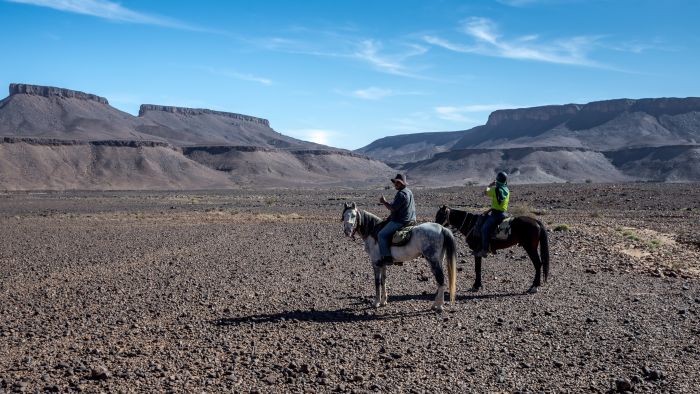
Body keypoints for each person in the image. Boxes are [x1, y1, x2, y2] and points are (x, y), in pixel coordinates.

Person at [377, 173, 416, 266]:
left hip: (401, 221)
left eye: (398, 183)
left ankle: (387, 258)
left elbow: (393, 208)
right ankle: (398, 257)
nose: (395, 184)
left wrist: (384, 202)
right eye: (395, 182)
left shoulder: (401, 194)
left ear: (402, 183)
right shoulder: (409, 191)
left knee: (381, 235)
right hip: (411, 219)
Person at [474, 172, 510, 257]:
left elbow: (485, 192)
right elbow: (499, 205)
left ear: (497, 180)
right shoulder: (507, 190)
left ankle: (485, 250)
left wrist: (490, 185)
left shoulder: (495, 189)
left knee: (484, 229)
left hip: (496, 215)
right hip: (505, 214)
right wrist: (489, 210)